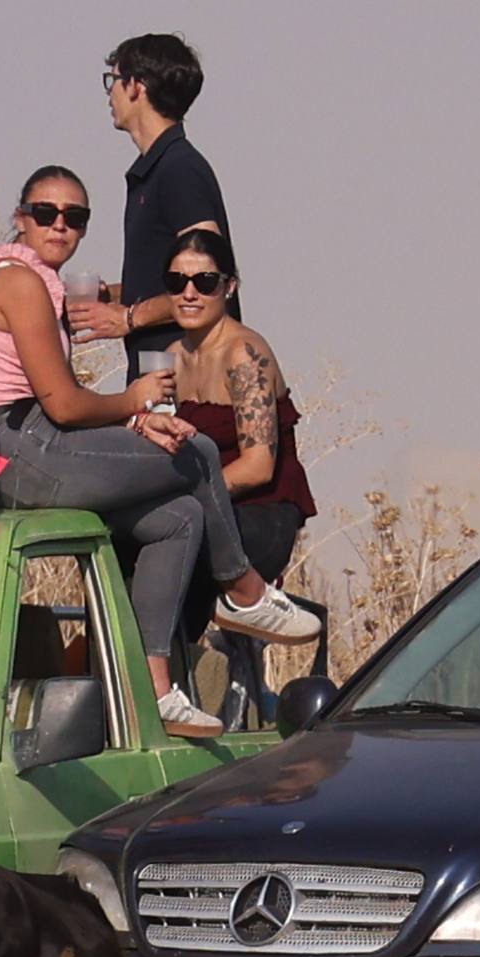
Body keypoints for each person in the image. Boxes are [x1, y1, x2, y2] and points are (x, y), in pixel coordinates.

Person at [0, 168, 320, 737]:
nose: (61, 226)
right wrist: (134, 404)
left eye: (76, 218)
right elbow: (63, 406)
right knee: (197, 454)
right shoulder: (19, 281)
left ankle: (155, 687)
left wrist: (135, 407)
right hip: (4, 445)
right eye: (46, 213)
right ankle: (242, 589)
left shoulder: (40, 283)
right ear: (21, 217)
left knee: (180, 519)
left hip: (18, 442)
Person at [165, 229, 315, 649]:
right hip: (203, 510)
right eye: (177, 282)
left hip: (258, 516)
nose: (190, 293)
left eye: (205, 282)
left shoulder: (244, 354)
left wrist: (185, 499)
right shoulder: (172, 356)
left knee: (169, 536)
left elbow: (257, 466)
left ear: (228, 288)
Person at [72, 33, 229, 372]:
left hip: (189, 386)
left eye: (113, 80)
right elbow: (171, 283)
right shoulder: (161, 168)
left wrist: (128, 318)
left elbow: (208, 278)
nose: (109, 94)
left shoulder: (179, 169)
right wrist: (115, 297)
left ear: (136, 86)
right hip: (158, 380)